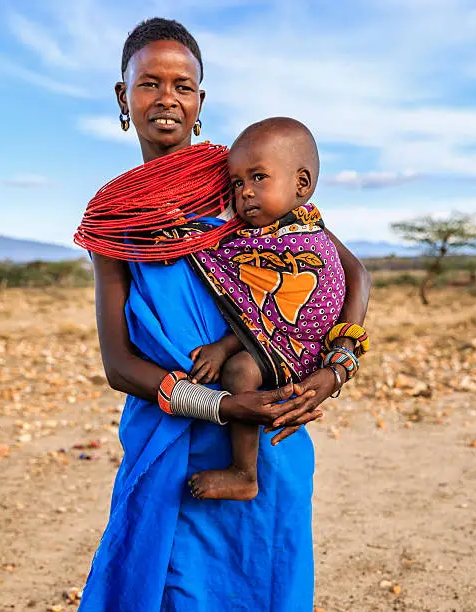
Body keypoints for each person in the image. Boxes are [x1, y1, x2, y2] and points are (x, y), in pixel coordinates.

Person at [77, 17, 371, 612]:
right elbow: (117, 363)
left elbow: (350, 272)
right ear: (122, 97)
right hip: (174, 436)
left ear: (200, 100)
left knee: (265, 581)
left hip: (266, 432)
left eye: (183, 86)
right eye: (149, 84)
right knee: (174, 587)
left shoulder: (243, 180)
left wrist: (336, 370)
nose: (167, 99)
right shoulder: (113, 218)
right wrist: (220, 404)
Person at [187, 116, 364, 502]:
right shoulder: (259, 234)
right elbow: (259, 309)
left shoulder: (306, 235)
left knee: (237, 370)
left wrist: (339, 364)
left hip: (304, 350)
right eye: (237, 183)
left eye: (258, 177)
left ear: (302, 184)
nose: (245, 192)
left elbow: (269, 310)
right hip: (284, 345)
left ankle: (243, 472)